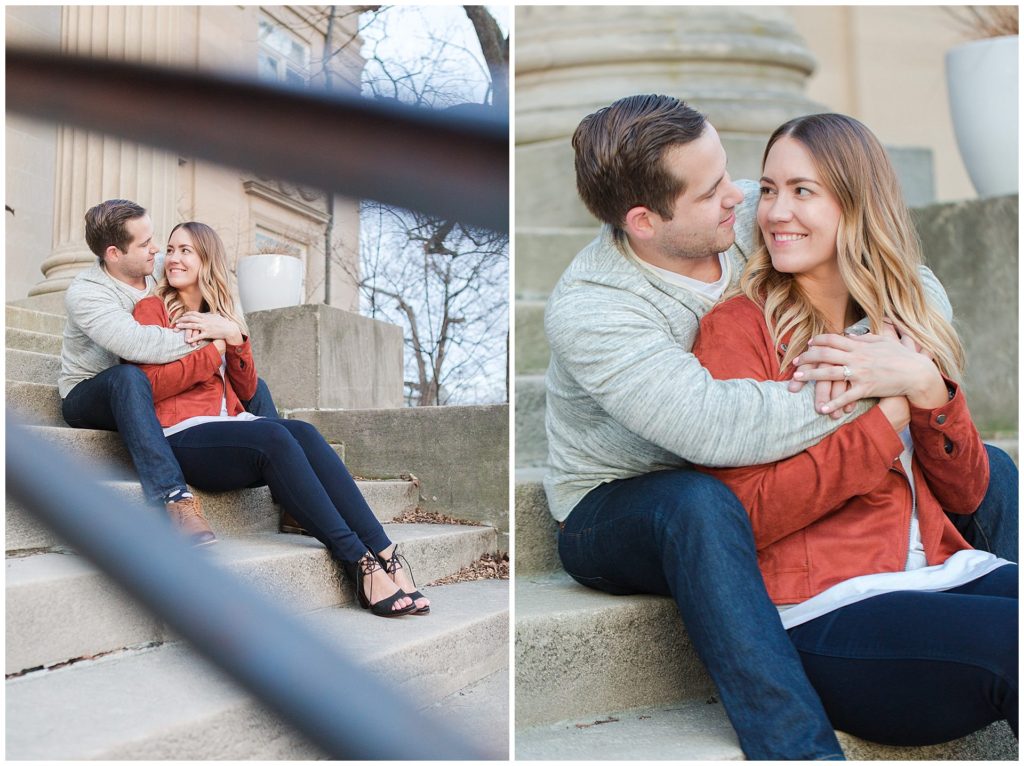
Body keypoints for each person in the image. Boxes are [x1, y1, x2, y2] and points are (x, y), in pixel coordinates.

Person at [544, 94, 1018, 759]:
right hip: (624, 497)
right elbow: (716, 425)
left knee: (994, 470)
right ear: (646, 221)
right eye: (715, 191)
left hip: (788, 482)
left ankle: (973, 582)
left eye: (738, 177)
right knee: (699, 507)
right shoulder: (593, 308)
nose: (745, 201)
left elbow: (905, 275)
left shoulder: (749, 216)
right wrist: (882, 391)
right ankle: (794, 745)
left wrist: (918, 370)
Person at [691, 112, 1017, 745]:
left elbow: (974, 494)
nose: (776, 212)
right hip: (829, 608)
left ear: (858, 205)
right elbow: (740, 517)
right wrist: (886, 419)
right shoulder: (739, 330)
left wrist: (927, 388)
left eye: (803, 191)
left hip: (945, 571)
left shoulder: (903, 322)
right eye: (769, 189)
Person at [130, 221, 429, 618]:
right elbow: (148, 386)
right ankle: (359, 562)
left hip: (229, 427)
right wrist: (212, 348)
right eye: (171, 249)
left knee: (301, 431)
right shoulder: (152, 310)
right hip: (182, 435)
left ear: (207, 259)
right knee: (274, 438)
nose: (174, 258)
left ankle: (387, 552)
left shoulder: (223, 317)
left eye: (186, 250)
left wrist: (235, 337)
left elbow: (248, 386)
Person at [61, 199, 278, 547]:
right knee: (128, 379)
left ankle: (288, 491)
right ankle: (174, 497)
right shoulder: (87, 293)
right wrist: (214, 340)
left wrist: (227, 327)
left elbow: (215, 285)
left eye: (154, 238)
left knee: (256, 388)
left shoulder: (159, 265)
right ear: (114, 253)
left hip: (155, 383)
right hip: (93, 391)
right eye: (145, 243)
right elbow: (137, 344)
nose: (159, 250)